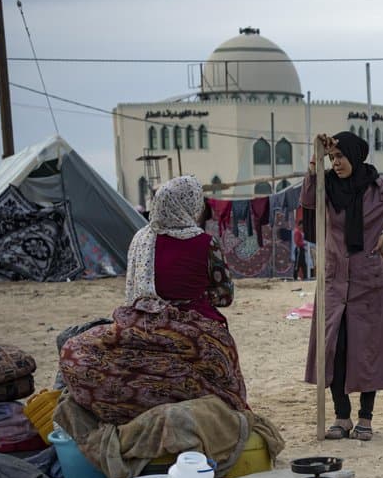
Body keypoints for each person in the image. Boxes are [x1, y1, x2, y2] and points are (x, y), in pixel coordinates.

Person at [59, 175, 247, 425]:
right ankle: (223, 411)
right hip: (196, 326)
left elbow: (134, 291)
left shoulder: (140, 240)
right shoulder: (205, 242)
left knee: (78, 347)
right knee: (224, 359)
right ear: (190, 205)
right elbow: (225, 296)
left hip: (139, 322)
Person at [302, 132, 383, 441]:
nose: (336, 163)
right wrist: (314, 160)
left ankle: (365, 418)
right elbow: (307, 202)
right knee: (335, 348)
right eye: (332, 159)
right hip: (334, 281)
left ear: (355, 156)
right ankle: (341, 416)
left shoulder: (381, 190)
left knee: (367, 350)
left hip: (368, 282)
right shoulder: (326, 186)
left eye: (340, 157)